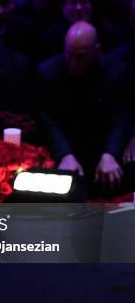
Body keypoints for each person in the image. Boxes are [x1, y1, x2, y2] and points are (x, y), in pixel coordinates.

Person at [38, 21, 130, 194]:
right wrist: (64, 154)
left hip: (100, 148)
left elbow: (119, 119)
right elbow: (48, 121)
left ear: (97, 50)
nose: (73, 62)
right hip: (64, 148)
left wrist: (110, 153)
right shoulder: (48, 72)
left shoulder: (116, 72)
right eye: (69, 54)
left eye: (80, 56)